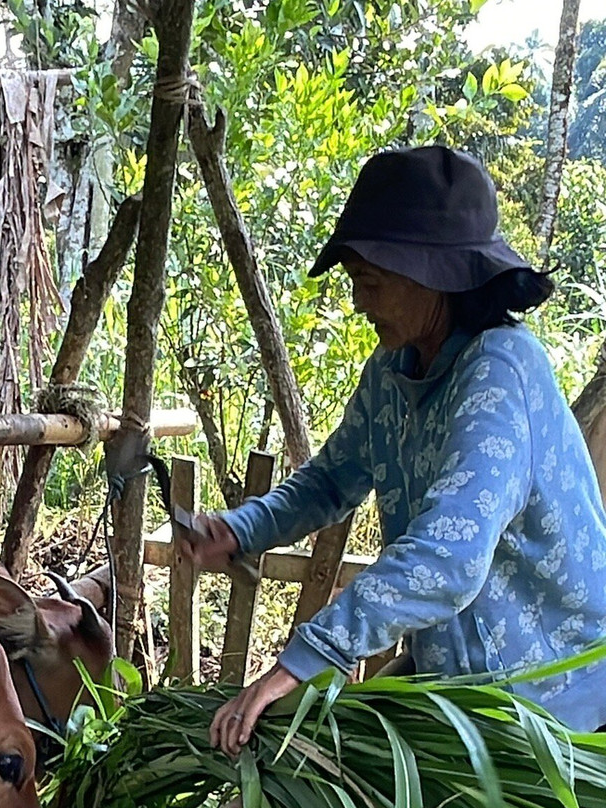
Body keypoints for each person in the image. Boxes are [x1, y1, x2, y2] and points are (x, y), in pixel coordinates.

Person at [180, 145, 606, 755]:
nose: (359, 303)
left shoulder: (499, 374)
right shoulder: (392, 372)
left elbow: (449, 557)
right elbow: (330, 481)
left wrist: (305, 658)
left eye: (370, 284)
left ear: (434, 276)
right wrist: (238, 530)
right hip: (465, 688)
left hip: (554, 700)